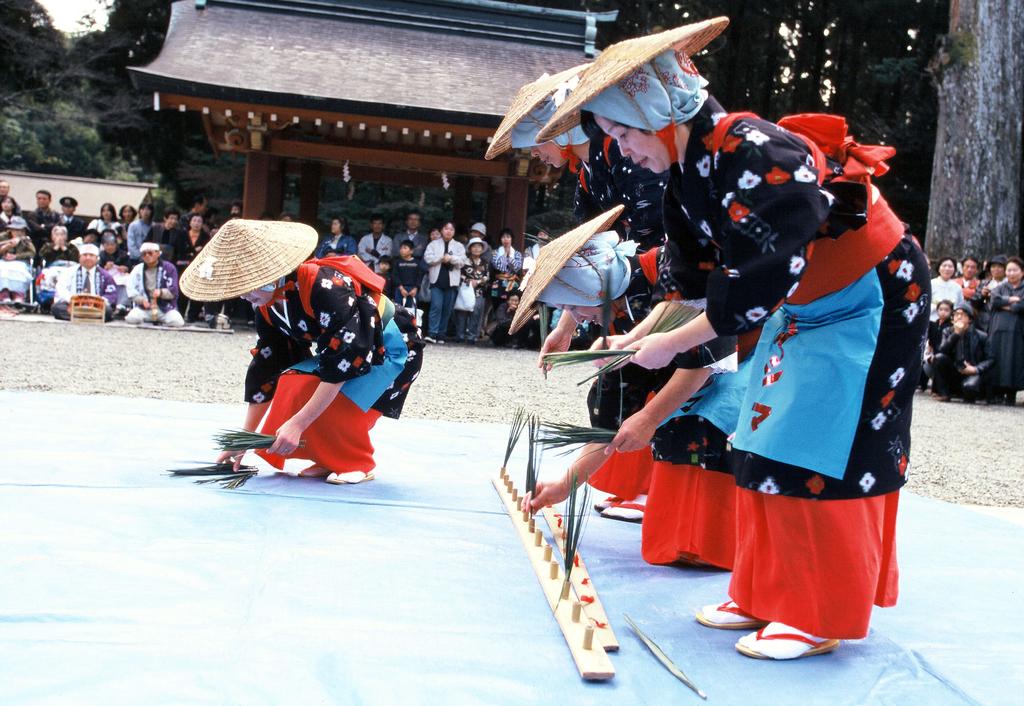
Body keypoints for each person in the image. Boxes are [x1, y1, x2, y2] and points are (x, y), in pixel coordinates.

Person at [541, 18, 931, 660]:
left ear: (660, 110)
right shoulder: (685, 178)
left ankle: (815, 612)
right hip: (800, 307)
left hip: (872, 298)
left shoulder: (756, 152)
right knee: (756, 437)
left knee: (821, 442)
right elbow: (690, 286)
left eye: (622, 132)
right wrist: (642, 337)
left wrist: (669, 346)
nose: (621, 150)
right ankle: (761, 589)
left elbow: (747, 291)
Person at [180, 219, 424, 484]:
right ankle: (328, 458)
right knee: (293, 382)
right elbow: (269, 365)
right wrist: (244, 438)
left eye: (247, 285)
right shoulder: (266, 303)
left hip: (393, 348)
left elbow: (346, 358)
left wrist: (297, 424)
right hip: (351, 351)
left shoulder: (324, 285)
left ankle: (357, 461)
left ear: (269, 276)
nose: (243, 295)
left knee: (335, 398)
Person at [487, 65, 666, 250]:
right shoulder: (585, 176)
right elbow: (589, 229)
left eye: (535, 142)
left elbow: (653, 212)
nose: (534, 153)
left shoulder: (621, 149)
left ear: (557, 131)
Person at [930, 302, 993, 403]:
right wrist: (955, 334)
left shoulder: (981, 336)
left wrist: (976, 369)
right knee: (939, 357)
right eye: (956, 314)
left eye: (963, 314)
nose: (959, 317)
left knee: (969, 388)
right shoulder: (947, 331)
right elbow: (942, 350)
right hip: (954, 369)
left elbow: (990, 359)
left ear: (970, 319)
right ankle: (944, 393)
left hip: (972, 370)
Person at [988, 256, 1024, 406]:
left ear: (1022, 272)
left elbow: (1020, 307)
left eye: (1014, 270)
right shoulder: (1000, 287)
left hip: (1017, 331)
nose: (1011, 273)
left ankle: (1011, 394)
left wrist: (1005, 304)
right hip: (997, 329)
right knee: (997, 357)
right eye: (1008, 270)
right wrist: (1011, 300)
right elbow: (994, 301)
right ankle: (997, 393)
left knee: (1014, 360)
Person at [423, 221, 466, 343]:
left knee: (447, 309)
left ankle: (441, 334)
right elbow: (428, 258)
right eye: (446, 229)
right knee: (436, 306)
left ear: (454, 232)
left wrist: (451, 258)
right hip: (436, 280)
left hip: (451, 282)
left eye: (451, 229)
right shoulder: (433, 244)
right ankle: (432, 333)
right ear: (442, 230)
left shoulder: (459, 246)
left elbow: (463, 261)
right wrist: (441, 258)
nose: (448, 231)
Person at [125, 242, 184, 327]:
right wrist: (141, 300)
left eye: (150, 253)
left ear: (158, 253)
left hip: (164, 308)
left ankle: (160, 319)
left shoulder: (169, 268)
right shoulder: (138, 269)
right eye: (144, 254)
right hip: (145, 308)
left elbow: (174, 291)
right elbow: (131, 289)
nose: (147, 256)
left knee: (177, 322)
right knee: (131, 318)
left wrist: (161, 292)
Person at [52, 243, 117, 320]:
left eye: (91, 255)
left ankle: (79, 316)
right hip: (73, 305)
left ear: (97, 258)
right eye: (85, 255)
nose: (88, 258)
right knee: (57, 308)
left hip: (96, 306)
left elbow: (112, 294)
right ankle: (87, 317)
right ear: (79, 257)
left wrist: (98, 301)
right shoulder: (69, 272)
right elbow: (61, 288)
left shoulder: (105, 275)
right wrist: (71, 300)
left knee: (108, 311)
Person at [173, 214, 210, 323]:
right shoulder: (182, 234)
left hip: (199, 268)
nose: (196, 223)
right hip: (182, 266)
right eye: (194, 220)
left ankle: (192, 316)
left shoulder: (205, 237)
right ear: (190, 222)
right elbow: (178, 249)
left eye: (199, 221)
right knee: (182, 291)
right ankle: (180, 314)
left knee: (196, 291)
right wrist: (194, 251)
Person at [454, 237, 489, 343]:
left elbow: (487, 276)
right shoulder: (464, 261)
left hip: (479, 291)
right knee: (462, 312)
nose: (477, 249)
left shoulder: (484, 262)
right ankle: (460, 335)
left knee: (476, 314)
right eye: (474, 246)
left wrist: (478, 282)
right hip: (465, 290)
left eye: (479, 246)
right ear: (470, 248)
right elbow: (459, 274)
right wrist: (469, 280)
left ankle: (472, 336)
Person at [0, 216, 36, 304]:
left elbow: (32, 253)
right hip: (3, 261)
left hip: (20, 262)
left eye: (21, 230)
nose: (18, 232)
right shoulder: (3, 237)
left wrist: (16, 256)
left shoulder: (26, 240)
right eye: (15, 229)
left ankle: (18, 294)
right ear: (11, 229)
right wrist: (6, 247)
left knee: (19, 270)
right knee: (3, 270)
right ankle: (4, 294)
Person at [921, 299, 953, 391]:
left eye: (946, 310)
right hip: (932, 353)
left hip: (943, 355)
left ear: (951, 312)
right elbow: (930, 341)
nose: (943, 312)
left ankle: (938, 389)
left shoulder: (950, 327)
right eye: (941, 309)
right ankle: (922, 384)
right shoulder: (933, 325)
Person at [972, 254, 1007, 332]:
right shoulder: (984, 283)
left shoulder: (1010, 284)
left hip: (1004, 320)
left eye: (999, 267)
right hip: (985, 322)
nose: (996, 269)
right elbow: (974, 303)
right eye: (993, 266)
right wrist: (982, 295)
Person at [490, 228, 522, 306]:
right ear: (500, 239)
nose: (505, 239)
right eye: (503, 237)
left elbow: (517, 268)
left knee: (512, 306)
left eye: (508, 237)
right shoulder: (495, 252)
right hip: (498, 284)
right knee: (496, 306)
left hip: (512, 284)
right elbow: (498, 267)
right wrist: (504, 255)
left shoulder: (517, 254)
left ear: (511, 239)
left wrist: (510, 257)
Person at [393, 240, 423, 312]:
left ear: (411, 251)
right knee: (398, 310)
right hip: (400, 289)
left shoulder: (417, 263)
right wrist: (401, 288)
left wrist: (415, 288)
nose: (402, 250)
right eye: (401, 248)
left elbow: (419, 277)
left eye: (405, 248)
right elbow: (395, 275)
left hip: (413, 290)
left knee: (411, 311)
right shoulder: (397, 262)